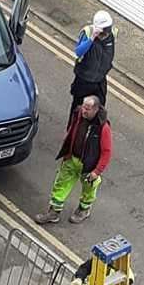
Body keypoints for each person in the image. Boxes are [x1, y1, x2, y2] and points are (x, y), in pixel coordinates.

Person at [36, 96, 112, 226]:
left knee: (89, 189)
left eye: (87, 109)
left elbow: (107, 151)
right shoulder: (78, 114)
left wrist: (97, 171)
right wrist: (67, 152)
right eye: (83, 107)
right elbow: (72, 131)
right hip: (72, 159)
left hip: (89, 166)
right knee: (60, 184)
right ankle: (54, 212)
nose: (84, 111)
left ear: (95, 109)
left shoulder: (103, 127)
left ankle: (84, 209)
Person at [71, 10, 116, 110]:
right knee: (78, 111)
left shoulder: (112, 34)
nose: (105, 35)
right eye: (103, 32)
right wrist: (92, 38)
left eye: (107, 31)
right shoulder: (87, 33)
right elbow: (78, 52)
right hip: (83, 80)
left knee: (99, 112)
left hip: (99, 81)